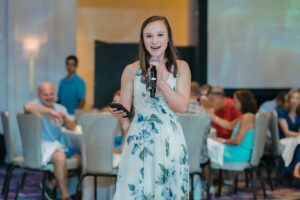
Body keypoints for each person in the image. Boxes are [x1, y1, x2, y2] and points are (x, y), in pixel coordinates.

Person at [110, 16, 191, 199]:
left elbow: (182, 106)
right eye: (149, 36)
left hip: (170, 138)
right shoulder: (131, 70)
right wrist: (117, 111)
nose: (154, 41)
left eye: (160, 35)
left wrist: (162, 82)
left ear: (168, 37)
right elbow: (125, 108)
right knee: (137, 190)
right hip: (140, 138)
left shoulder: (181, 67)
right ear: (143, 39)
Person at [24, 82, 80, 200]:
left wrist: (65, 119)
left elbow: (73, 127)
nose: (49, 97)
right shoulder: (36, 105)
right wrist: (50, 111)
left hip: (61, 145)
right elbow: (27, 107)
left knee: (82, 157)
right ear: (39, 95)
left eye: (51, 94)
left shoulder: (60, 108)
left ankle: (51, 184)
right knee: (60, 157)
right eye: (45, 94)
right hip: (44, 146)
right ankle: (65, 195)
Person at [208, 90, 257, 163]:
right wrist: (212, 116)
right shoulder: (247, 116)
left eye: (235, 101)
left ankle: (199, 172)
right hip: (237, 151)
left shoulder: (247, 117)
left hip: (237, 154)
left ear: (242, 102)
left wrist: (222, 140)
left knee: (205, 147)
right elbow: (229, 125)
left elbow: (237, 141)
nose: (233, 104)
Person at [277, 89, 300, 176]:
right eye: (292, 98)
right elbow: (286, 132)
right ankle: (296, 173)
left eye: (298, 98)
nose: (294, 100)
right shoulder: (281, 112)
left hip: (296, 140)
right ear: (289, 99)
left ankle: (296, 171)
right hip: (284, 140)